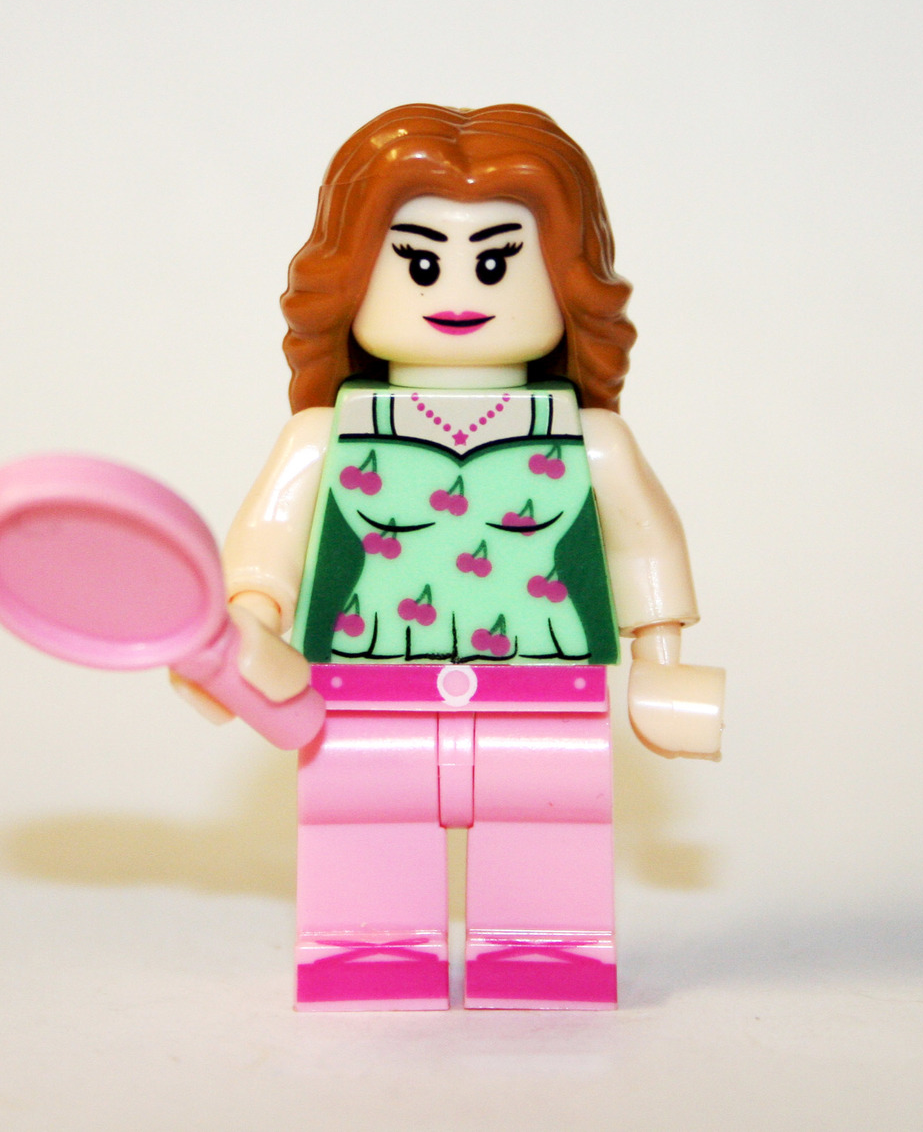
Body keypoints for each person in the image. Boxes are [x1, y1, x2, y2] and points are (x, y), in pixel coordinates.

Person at [176, 104, 724, 1010]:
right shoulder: (325, 437)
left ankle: (546, 954)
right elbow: (265, 552)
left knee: (549, 832)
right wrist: (242, 632)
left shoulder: (589, 440)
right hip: (362, 700)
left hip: (545, 698)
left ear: (565, 277)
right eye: (421, 262)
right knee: (364, 829)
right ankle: (368, 951)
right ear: (353, 275)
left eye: (498, 261)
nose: (459, 289)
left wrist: (660, 663)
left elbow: (643, 545)